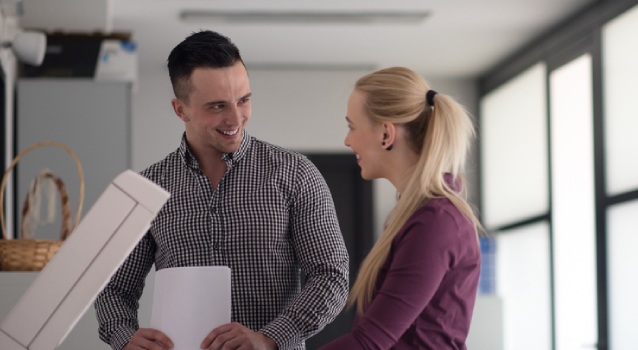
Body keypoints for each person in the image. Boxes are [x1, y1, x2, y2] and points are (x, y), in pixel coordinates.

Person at [94, 30, 349, 350]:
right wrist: (125, 336)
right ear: (180, 109)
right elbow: (113, 288)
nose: (235, 118)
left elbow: (331, 276)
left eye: (243, 100)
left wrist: (270, 337)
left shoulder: (295, 174)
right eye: (217, 106)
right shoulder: (149, 189)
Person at [320, 67, 482, 349]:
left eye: (352, 127)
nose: (348, 141)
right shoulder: (416, 216)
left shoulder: (436, 222)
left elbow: (369, 342)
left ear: (386, 134)